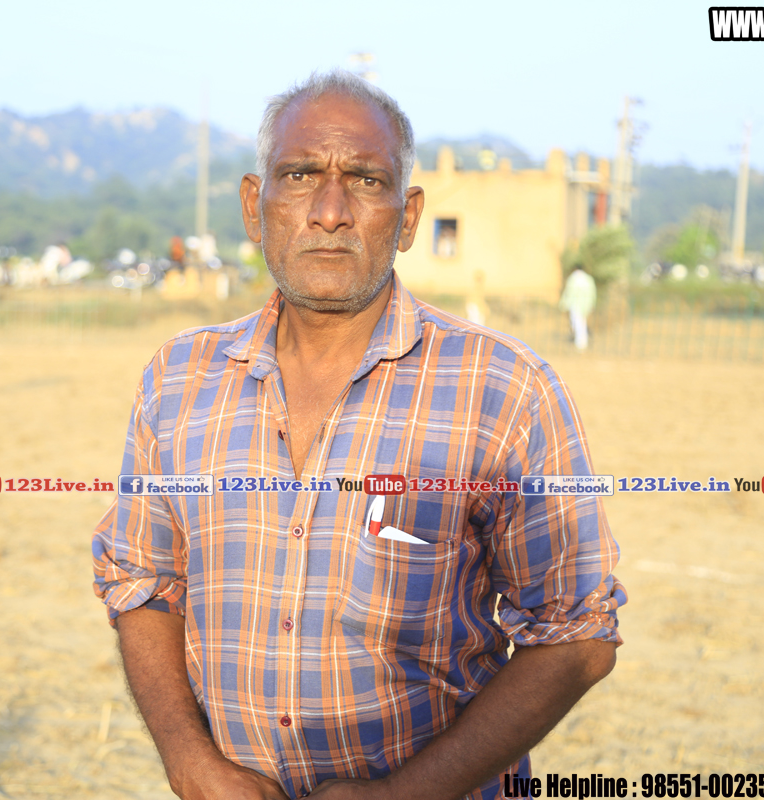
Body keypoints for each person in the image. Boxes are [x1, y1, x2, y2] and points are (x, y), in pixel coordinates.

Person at [92, 71, 624, 800]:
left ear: (407, 219)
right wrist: (189, 759)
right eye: (300, 175)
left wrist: (401, 796)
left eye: (366, 181)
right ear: (254, 207)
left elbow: (578, 635)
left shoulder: (505, 390)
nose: (330, 212)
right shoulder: (178, 378)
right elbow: (142, 581)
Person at [558, 267, 597, 350]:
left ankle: (581, 343)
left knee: (578, 322)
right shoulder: (588, 279)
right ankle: (581, 341)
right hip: (585, 304)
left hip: (576, 304)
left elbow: (569, 292)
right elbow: (593, 293)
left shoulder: (573, 278)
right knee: (580, 322)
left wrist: (564, 303)